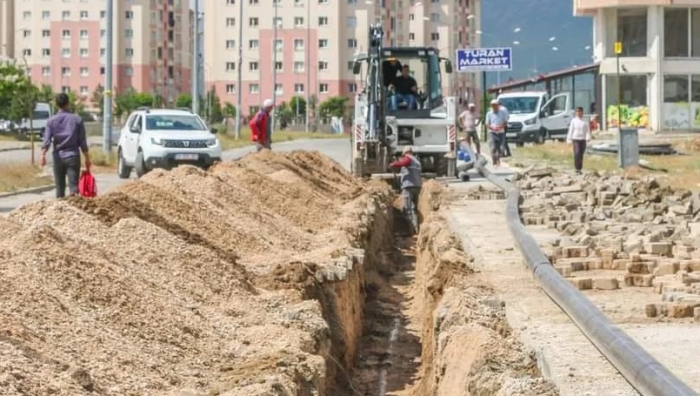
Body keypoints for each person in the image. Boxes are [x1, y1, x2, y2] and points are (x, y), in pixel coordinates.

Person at [40, 93, 90, 198]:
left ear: (56, 104)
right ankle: (73, 210)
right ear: (68, 103)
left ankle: (60, 210)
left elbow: (47, 140)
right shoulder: (77, 119)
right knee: (73, 187)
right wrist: (87, 158)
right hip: (73, 156)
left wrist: (43, 155)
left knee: (59, 188)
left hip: (58, 157)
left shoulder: (51, 121)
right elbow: (82, 142)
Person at [389, 146, 422, 233]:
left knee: (407, 209)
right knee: (414, 208)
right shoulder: (417, 161)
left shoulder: (408, 158)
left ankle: (409, 231)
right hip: (417, 186)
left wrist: (393, 164)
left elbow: (405, 162)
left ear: (405, 153)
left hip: (408, 186)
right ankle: (416, 229)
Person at [566, 106, 592, 175]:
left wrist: (588, 136)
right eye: (577, 111)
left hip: (582, 140)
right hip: (575, 139)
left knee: (581, 155)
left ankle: (579, 169)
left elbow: (587, 130)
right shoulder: (574, 121)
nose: (578, 113)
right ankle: (576, 168)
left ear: (582, 112)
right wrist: (569, 139)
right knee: (577, 153)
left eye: (579, 111)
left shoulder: (585, 121)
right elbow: (571, 130)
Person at [485, 98, 509, 167]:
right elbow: (487, 123)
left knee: (500, 148)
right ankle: (494, 161)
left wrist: (501, 127)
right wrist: (492, 127)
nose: (494, 106)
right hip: (492, 132)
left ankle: (498, 159)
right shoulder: (489, 113)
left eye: (495, 105)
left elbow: (505, 122)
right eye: (492, 105)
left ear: (498, 105)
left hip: (501, 132)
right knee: (493, 147)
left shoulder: (502, 113)